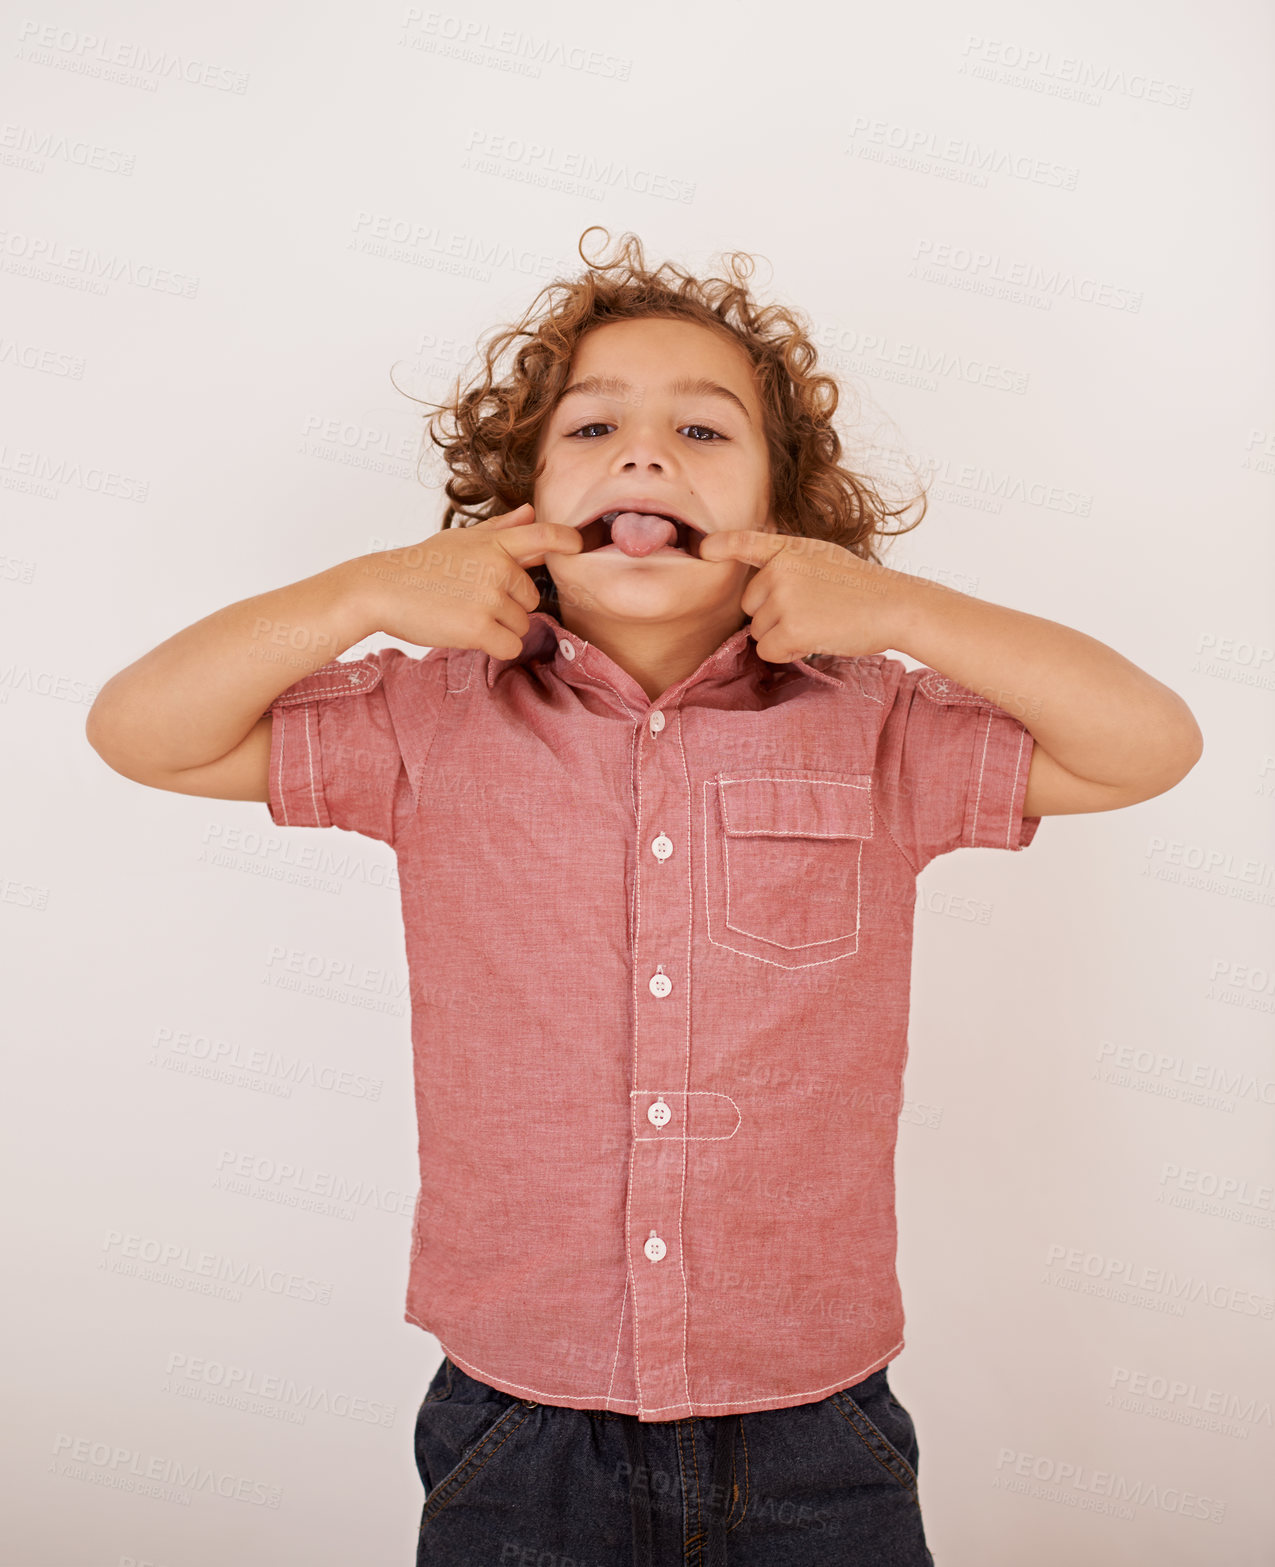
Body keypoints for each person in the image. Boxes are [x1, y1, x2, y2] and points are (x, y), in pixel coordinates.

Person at [85, 228, 1203, 1566]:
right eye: (597, 424)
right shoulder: (428, 722)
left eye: (704, 431)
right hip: (520, 1413)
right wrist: (369, 591)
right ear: (521, 505)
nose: (646, 453)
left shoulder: (875, 728)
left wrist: (895, 609)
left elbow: (1149, 744)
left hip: (812, 1413)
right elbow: (141, 730)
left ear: (787, 517)